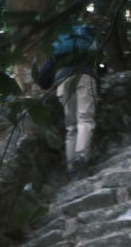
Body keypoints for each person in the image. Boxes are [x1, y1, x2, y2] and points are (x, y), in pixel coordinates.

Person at [34, 20, 99, 173]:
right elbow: (96, 57)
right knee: (85, 119)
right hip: (85, 76)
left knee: (71, 126)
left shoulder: (59, 47)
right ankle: (81, 158)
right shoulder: (86, 41)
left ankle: (71, 167)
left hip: (63, 80)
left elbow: (43, 77)